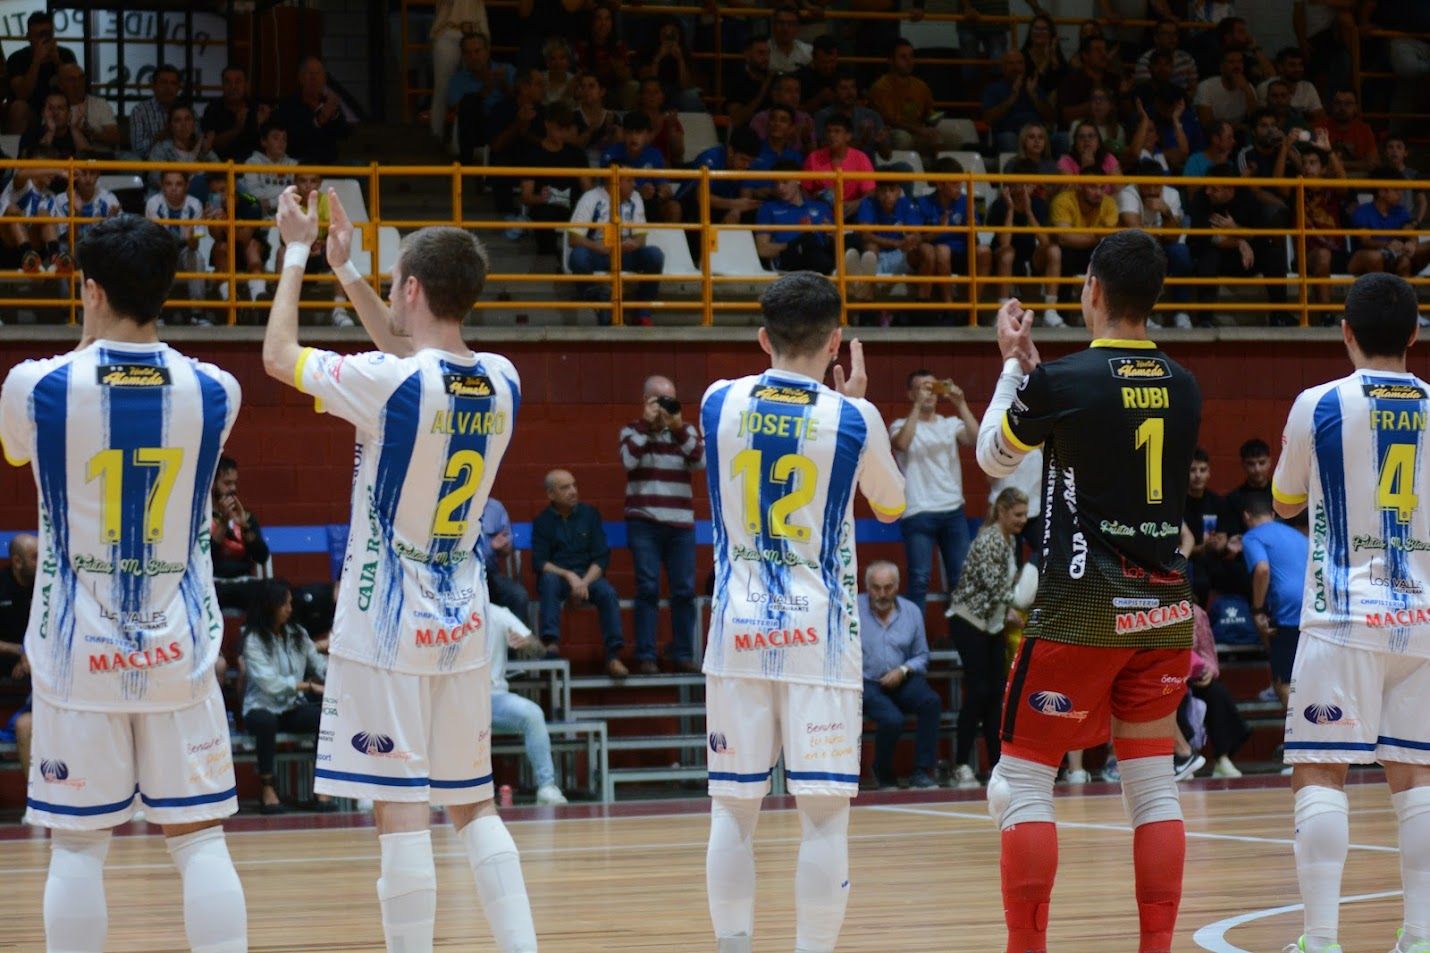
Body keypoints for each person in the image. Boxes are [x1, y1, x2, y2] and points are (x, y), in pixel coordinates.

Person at [263, 186, 537, 953]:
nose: (388, 295)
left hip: (386, 621)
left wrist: (295, 251)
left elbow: (279, 356)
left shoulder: (395, 385)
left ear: (412, 288)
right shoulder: (505, 379)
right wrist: (348, 271)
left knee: (400, 813)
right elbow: (409, 350)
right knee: (474, 806)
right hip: (460, 615)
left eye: (392, 284)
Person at [0, 213, 248, 952]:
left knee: (78, 847)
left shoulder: (34, 386)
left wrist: (87, 337)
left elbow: (19, 449)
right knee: (200, 842)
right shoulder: (217, 389)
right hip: (179, 646)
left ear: (91, 288)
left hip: (78, 652)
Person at [975, 229, 1203, 953]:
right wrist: (1041, 382)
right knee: (1154, 788)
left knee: (1022, 783)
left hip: (1079, 614)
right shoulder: (1185, 381)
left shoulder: (1065, 380)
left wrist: (1013, 369)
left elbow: (993, 456)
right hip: (1165, 611)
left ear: (1093, 291)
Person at [702, 271, 905, 953]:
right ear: (836, 340)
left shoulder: (716, 401)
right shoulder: (854, 417)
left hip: (738, 629)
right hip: (820, 635)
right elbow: (894, 502)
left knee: (733, 810)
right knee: (823, 817)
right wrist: (857, 409)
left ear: (763, 336)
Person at [1269, 271, 1430, 953]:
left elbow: (1282, 501)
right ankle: (1420, 936)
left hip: (1342, 617)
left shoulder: (1319, 403)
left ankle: (1322, 939)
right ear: (1416, 334)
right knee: (1417, 778)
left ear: (1346, 331)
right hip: (1422, 618)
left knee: (1321, 771)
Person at [619, 375, 705, 675]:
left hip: (680, 525)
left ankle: (682, 652)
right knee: (648, 587)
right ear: (646, 401)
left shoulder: (686, 433)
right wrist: (646, 424)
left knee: (683, 590)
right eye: (660, 400)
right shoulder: (631, 431)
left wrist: (678, 428)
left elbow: (700, 461)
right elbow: (628, 461)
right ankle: (646, 655)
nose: (666, 406)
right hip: (644, 521)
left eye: (670, 399)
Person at [948, 487, 1028, 789]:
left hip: (991, 624)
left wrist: (1007, 607)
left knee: (997, 695)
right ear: (1002, 512)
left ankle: (997, 766)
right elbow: (992, 585)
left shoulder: (1010, 540)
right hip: (969, 621)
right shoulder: (989, 539)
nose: (1022, 520)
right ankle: (960, 765)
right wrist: (1014, 605)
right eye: (1018, 514)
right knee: (979, 691)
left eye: (1024, 514)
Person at [890, 369, 979, 609]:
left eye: (932, 387)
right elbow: (901, 443)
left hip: (952, 510)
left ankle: (962, 641)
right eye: (922, 388)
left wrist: (960, 404)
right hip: (918, 511)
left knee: (961, 579)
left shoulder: (950, 424)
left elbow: (976, 439)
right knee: (919, 580)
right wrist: (917, 407)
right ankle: (915, 642)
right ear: (910, 393)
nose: (928, 393)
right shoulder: (900, 425)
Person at [240, 578, 329, 815]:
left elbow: (318, 664)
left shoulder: (298, 634)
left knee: (326, 717)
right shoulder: (253, 640)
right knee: (265, 723)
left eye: (290, 603)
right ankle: (268, 788)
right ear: (269, 606)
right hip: (261, 707)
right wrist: (308, 687)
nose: (290, 608)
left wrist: (337, 675)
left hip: (291, 707)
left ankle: (322, 788)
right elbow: (270, 684)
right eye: (284, 604)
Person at [532, 469, 628, 676]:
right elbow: (540, 562)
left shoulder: (590, 515)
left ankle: (613, 656)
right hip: (558, 577)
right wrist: (569, 576)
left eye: (574, 485)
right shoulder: (542, 521)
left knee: (608, 593)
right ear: (551, 494)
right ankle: (551, 644)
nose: (573, 491)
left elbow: (601, 558)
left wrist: (582, 582)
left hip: (589, 577)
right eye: (565, 488)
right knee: (548, 580)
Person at [859, 560, 939, 790]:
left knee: (930, 702)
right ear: (866, 586)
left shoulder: (911, 611)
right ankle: (882, 772)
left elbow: (922, 655)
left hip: (901, 676)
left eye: (888, 587)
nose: (882, 594)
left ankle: (922, 772)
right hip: (867, 681)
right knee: (892, 719)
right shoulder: (852, 610)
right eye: (876, 587)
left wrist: (903, 670)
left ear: (897, 586)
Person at [1187, 164, 1289, 325]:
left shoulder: (1246, 197)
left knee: (1274, 255)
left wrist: (1234, 229)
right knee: (1208, 257)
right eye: (1207, 187)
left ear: (1230, 189)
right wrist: (1239, 242)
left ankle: (1281, 315)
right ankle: (1205, 319)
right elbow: (1208, 237)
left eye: (1214, 189)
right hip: (1218, 256)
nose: (1208, 192)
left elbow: (1260, 235)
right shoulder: (1201, 198)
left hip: (1248, 259)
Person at [487, 601, 567, 805]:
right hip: (457, 699)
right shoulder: (445, 616)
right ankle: (437, 790)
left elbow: (539, 649)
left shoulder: (498, 613)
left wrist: (526, 643)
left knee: (533, 714)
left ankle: (547, 787)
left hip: (494, 697)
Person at [566, 177, 664, 326]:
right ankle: (599, 301)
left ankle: (642, 310)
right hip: (598, 253)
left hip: (624, 254)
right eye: (629, 180)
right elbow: (573, 239)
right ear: (614, 181)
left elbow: (641, 238)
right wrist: (597, 246)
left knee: (655, 255)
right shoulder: (591, 197)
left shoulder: (635, 197)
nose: (634, 184)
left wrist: (633, 243)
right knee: (578, 256)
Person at [1241, 494, 1307, 709]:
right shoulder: (1298, 536)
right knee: (1306, 682)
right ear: (1272, 514)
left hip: (1288, 611)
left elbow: (1262, 569)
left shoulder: (1252, 537)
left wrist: (1257, 610)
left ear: (1246, 516)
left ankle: (1297, 741)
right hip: (1312, 607)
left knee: (1284, 684)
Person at [1117, 159, 1192, 328]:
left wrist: (1166, 212)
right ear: (1138, 182)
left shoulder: (1172, 195)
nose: (1152, 191)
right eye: (1147, 186)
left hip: (1162, 246)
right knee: (1139, 254)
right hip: (1134, 247)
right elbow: (1136, 233)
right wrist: (1160, 233)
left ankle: (1181, 312)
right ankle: (1141, 315)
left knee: (1181, 253)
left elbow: (1173, 237)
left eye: (1156, 186)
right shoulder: (1128, 194)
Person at [989, 160, 1063, 326]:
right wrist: (1010, 210)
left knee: (1054, 251)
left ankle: (1050, 311)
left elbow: (1044, 242)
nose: (1022, 189)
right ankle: (1002, 312)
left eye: (1027, 184)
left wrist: (1029, 212)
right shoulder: (1000, 205)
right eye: (1018, 184)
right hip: (1002, 257)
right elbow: (1004, 242)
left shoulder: (1037, 204)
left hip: (1031, 256)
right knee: (1008, 253)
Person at [1182, 602, 1251, 778]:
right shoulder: (1154, 611)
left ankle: (1223, 758)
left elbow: (1208, 654)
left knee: (1217, 693)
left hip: (1194, 678)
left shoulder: (1196, 613)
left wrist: (1208, 672)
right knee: (1172, 697)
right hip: (1167, 680)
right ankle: (1181, 757)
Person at [516, 102, 590, 257]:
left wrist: (585, 206)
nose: (562, 134)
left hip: (573, 205)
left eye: (566, 130)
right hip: (545, 207)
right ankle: (549, 252)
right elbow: (525, 196)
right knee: (544, 214)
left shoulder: (576, 154)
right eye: (558, 129)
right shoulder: (532, 155)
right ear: (547, 125)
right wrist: (540, 198)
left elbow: (588, 190)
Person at [919, 157, 992, 305]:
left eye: (960, 182)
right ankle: (949, 305)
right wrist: (939, 229)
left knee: (984, 251)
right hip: (938, 255)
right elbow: (920, 240)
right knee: (942, 250)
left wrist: (971, 228)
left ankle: (973, 306)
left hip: (963, 253)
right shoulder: (924, 203)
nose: (959, 187)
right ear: (940, 184)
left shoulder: (966, 201)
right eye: (954, 183)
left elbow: (975, 238)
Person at [1050, 169, 1119, 314]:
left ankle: (1107, 315)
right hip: (1068, 252)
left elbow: (1107, 237)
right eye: (1092, 187)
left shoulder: (1109, 203)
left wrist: (1082, 238)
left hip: (1095, 251)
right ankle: (1058, 313)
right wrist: (1095, 236)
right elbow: (1063, 238)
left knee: (1111, 257)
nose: (1098, 193)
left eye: (1102, 188)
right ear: (1080, 186)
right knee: (1063, 256)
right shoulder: (1063, 200)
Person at [145, 170, 207, 325]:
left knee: (196, 257)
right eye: (168, 184)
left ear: (187, 186)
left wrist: (192, 237)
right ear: (162, 186)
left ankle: (197, 314)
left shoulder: (195, 204)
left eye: (178, 184)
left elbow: (194, 244)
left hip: (185, 250)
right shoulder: (153, 203)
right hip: (162, 250)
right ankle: (156, 313)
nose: (173, 188)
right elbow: (155, 240)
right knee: (152, 257)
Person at [210, 455, 272, 611]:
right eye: (227, 483)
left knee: (277, 592)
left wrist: (245, 527)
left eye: (235, 483)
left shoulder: (245, 515)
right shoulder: (200, 520)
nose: (233, 488)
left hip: (244, 582)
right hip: (213, 584)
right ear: (212, 484)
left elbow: (262, 556)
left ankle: (256, 635)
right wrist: (223, 523)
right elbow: (207, 557)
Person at [4, 12, 77, 134]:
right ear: (28, 37)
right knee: (18, 108)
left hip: (62, 112)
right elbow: (22, 94)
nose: (43, 39)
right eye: (38, 35)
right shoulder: (17, 58)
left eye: (47, 34)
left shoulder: (65, 55)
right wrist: (36, 61)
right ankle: (16, 152)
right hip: (32, 114)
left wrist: (58, 62)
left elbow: (75, 91)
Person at [1348, 170, 1430, 278]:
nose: (1400, 194)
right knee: (1375, 257)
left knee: (1405, 261)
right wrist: (1388, 245)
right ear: (1382, 191)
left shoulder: (1401, 211)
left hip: (1395, 256)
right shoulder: (1363, 211)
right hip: (1364, 258)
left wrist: (1411, 243)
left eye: (1401, 190)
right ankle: (1382, 291)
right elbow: (1365, 241)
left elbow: (1409, 231)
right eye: (1396, 190)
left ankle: (1405, 292)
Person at [429, 0, 491, 140]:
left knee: (476, 84)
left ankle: (474, 138)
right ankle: (437, 134)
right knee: (442, 87)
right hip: (449, 29)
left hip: (476, 28)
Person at [449, 32, 516, 159]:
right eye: (468, 53)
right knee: (469, 101)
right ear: (463, 56)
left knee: (508, 106)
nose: (473, 57)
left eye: (477, 51)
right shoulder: (457, 80)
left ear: (487, 51)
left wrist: (503, 85)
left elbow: (520, 101)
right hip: (478, 126)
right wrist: (484, 91)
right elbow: (458, 110)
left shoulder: (507, 70)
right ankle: (466, 162)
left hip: (505, 124)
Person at [273, 56, 349, 164]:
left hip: (329, 165)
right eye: (309, 73)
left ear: (324, 78)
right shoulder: (288, 105)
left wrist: (334, 115)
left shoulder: (328, 103)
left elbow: (344, 134)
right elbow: (291, 139)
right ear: (300, 78)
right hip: (298, 166)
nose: (314, 78)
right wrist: (319, 120)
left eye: (318, 73)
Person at [801, 113, 874, 219]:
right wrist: (814, 202)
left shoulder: (861, 158)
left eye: (837, 131)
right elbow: (804, 191)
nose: (831, 135)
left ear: (848, 136)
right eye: (829, 131)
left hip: (852, 213)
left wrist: (856, 203)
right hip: (821, 215)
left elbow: (870, 193)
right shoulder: (813, 157)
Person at [983, 49, 1056, 154]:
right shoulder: (993, 89)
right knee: (1009, 138)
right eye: (1011, 63)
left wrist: (1034, 96)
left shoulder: (1033, 87)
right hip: (1009, 133)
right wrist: (1011, 98)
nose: (1016, 67)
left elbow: (1051, 118)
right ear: (1003, 67)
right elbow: (988, 119)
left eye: (1019, 63)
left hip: (1036, 133)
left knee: (1061, 138)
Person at [146, 103, 220, 195]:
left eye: (188, 119)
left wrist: (207, 152)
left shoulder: (201, 147)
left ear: (194, 124)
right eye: (177, 120)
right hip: (167, 199)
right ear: (170, 126)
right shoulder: (161, 149)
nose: (183, 124)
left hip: (199, 200)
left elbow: (219, 175)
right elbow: (155, 178)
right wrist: (186, 174)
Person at [477, 498, 530, 621]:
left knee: (518, 596)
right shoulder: (448, 505)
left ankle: (520, 638)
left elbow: (506, 551)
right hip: (459, 576)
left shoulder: (495, 507)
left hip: (489, 574)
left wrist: (503, 547)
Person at [202, 64, 270, 161]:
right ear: (222, 85)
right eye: (227, 82)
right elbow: (210, 145)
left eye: (238, 82)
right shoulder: (213, 108)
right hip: (221, 167)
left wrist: (260, 126)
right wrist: (236, 129)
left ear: (246, 84)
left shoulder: (257, 108)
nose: (233, 86)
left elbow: (269, 144)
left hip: (254, 168)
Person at [56, 63, 119, 151]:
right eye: (72, 79)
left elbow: (114, 137)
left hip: (98, 160)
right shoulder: (54, 105)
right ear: (60, 85)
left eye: (81, 78)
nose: (78, 83)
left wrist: (91, 135)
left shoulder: (99, 104)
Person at [1317, 89, 1378, 176]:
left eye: (1348, 104)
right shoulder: (1321, 127)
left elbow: (1372, 163)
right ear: (1332, 106)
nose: (1342, 107)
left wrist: (1340, 164)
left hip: (1358, 179)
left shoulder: (1364, 129)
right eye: (1338, 103)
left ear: (1356, 108)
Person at [1193, 49, 1255, 133]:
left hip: (1239, 135)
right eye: (1231, 62)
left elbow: (1256, 120)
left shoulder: (1248, 87)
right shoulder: (1206, 87)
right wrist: (1239, 127)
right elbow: (1207, 124)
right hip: (1212, 136)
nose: (1237, 66)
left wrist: (1248, 91)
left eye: (1240, 62)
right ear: (1221, 67)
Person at [242, 121, 297, 215]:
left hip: (288, 215)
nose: (281, 142)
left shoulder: (293, 164)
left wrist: (270, 203)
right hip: (262, 215)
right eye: (276, 138)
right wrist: (286, 191)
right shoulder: (252, 163)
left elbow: (297, 193)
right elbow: (253, 193)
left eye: (284, 139)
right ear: (264, 141)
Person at [128, 64, 182, 159]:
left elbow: (196, 143)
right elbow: (137, 150)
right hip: (152, 163)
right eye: (163, 82)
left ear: (178, 88)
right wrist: (160, 137)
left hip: (184, 161)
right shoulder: (140, 111)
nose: (168, 88)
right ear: (153, 86)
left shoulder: (187, 111)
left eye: (173, 83)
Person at [1134, 17, 1198, 90]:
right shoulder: (1145, 60)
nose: (1172, 37)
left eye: (1175, 33)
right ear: (1156, 38)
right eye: (1166, 33)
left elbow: (1192, 89)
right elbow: (1145, 91)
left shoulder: (1187, 58)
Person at [769, 4, 812, 74]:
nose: (785, 28)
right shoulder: (763, 51)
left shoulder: (808, 52)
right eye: (781, 23)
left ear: (798, 28)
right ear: (773, 26)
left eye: (791, 23)